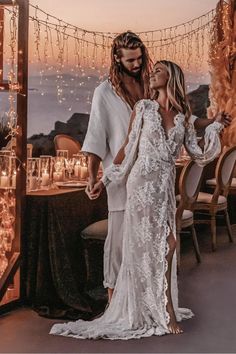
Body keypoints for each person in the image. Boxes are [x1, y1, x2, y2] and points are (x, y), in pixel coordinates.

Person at [50, 60, 231, 339]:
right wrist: (103, 179)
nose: (152, 73)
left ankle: (156, 305)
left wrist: (214, 129)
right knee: (153, 245)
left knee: (166, 243)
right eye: (154, 70)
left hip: (164, 189)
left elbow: (199, 154)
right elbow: (126, 150)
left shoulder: (182, 115)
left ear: (171, 77)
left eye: (159, 70)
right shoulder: (143, 108)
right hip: (141, 185)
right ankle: (164, 309)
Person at [80, 31, 230, 306]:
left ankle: (147, 304)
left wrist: (212, 123)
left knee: (151, 245)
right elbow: (95, 137)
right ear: (117, 58)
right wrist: (94, 177)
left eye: (140, 59)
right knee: (118, 246)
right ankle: (115, 305)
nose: (138, 65)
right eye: (131, 60)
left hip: (153, 181)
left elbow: (184, 119)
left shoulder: (150, 87)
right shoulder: (104, 93)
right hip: (122, 177)